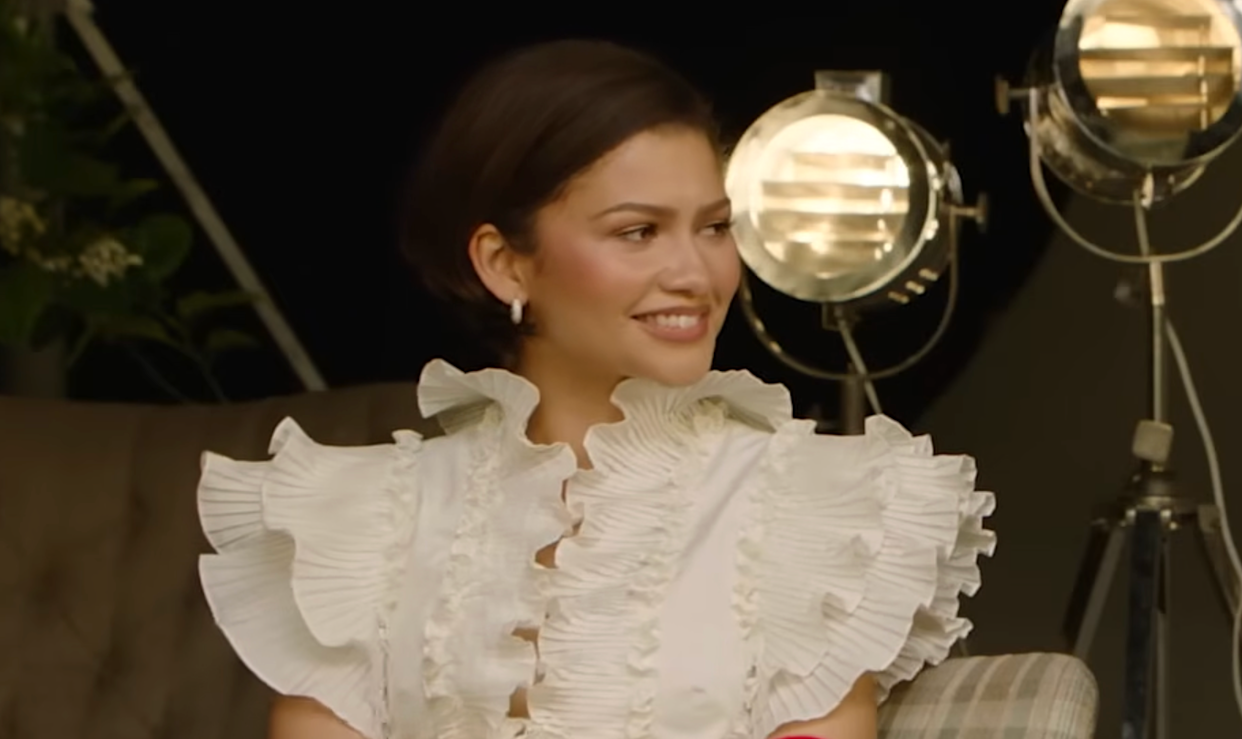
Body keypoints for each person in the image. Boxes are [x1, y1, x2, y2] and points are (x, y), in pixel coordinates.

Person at [196, 39, 996, 739]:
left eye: (714, 227)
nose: (695, 273)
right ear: (504, 264)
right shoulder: (361, 521)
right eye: (638, 231)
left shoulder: (816, 509)